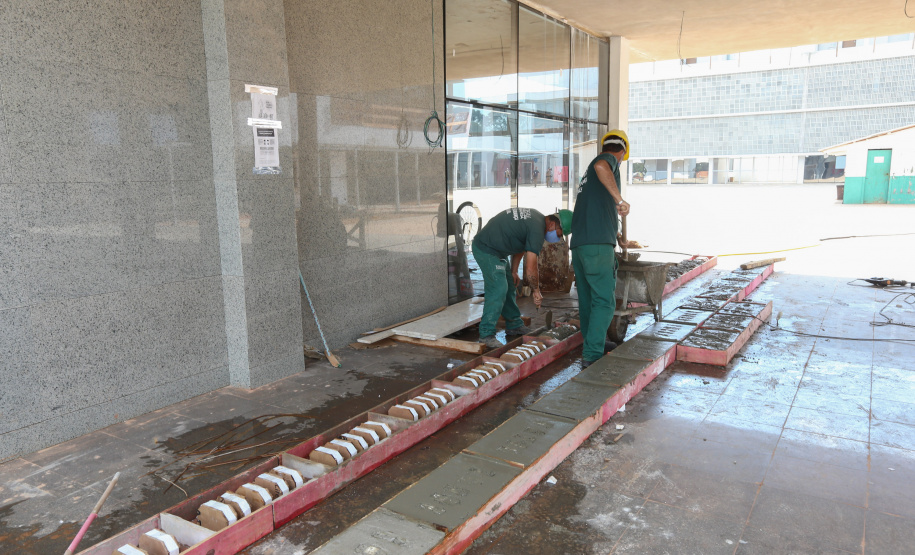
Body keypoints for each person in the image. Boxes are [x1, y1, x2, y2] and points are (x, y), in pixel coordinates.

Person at [571, 130, 632, 367]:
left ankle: (593, 341)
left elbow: (596, 212)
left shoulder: (591, 178)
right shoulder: (605, 162)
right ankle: (592, 353)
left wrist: (616, 235)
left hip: (581, 245)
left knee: (587, 299)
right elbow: (602, 166)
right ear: (622, 151)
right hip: (596, 248)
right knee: (604, 301)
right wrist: (620, 199)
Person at [472, 207, 573, 349]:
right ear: (552, 224)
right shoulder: (537, 229)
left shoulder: (537, 219)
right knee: (499, 288)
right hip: (486, 248)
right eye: (559, 234)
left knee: (509, 285)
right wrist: (536, 290)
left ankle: (514, 324)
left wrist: (514, 271)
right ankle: (486, 334)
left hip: (498, 250)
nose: (558, 238)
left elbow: (520, 247)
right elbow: (531, 268)